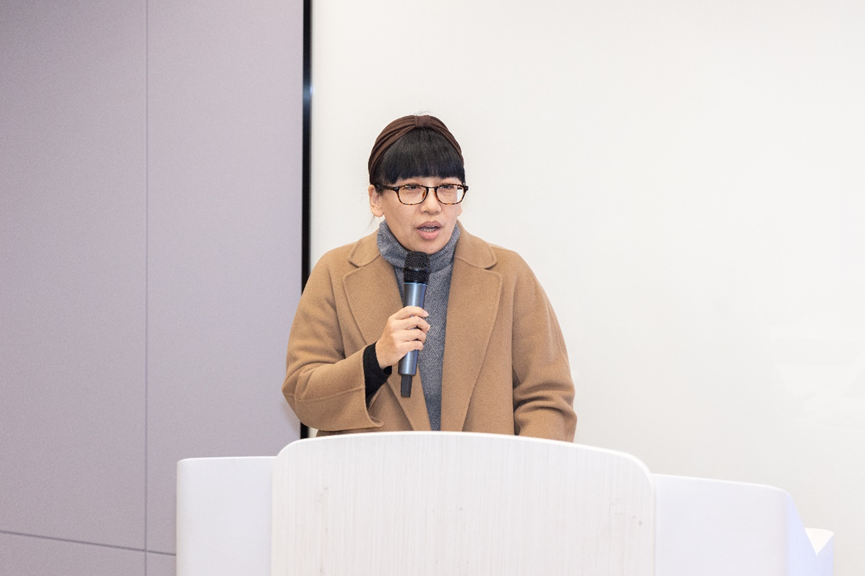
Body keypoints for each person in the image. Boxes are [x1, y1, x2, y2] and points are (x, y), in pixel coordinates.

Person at [283, 114, 576, 441]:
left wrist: (520, 470)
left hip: (484, 473)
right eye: (412, 188)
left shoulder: (508, 274)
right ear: (376, 199)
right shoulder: (335, 272)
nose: (433, 206)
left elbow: (547, 398)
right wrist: (375, 358)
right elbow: (303, 397)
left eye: (447, 188)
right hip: (372, 473)